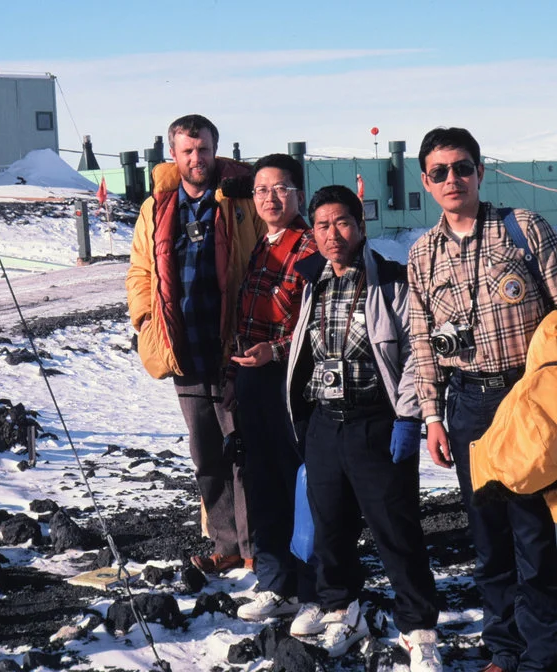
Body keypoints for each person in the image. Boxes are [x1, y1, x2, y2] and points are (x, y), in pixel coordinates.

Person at [407, 126, 557, 672]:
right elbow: (423, 344)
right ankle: (503, 647)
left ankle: (543, 656)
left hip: (530, 403)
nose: (453, 179)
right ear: (425, 182)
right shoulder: (421, 255)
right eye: (440, 171)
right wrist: (431, 416)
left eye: (463, 167)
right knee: (488, 536)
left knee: (533, 535)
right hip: (468, 405)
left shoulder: (522, 230)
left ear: (479, 171)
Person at [286, 185, 442, 669]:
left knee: (395, 531)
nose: (333, 234)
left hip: (377, 423)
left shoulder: (391, 281)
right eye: (322, 225)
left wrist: (408, 415)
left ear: (360, 225)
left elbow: (420, 352)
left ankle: (419, 629)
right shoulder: (312, 281)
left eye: (342, 222)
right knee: (330, 526)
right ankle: (340, 608)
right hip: (325, 424)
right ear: (313, 233)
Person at [126, 114, 263, 573]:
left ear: (215, 150)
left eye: (203, 149)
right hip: (185, 348)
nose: (196, 158)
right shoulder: (157, 206)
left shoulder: (240, 198)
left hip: (236, 347)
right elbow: (140, 273)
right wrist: (147, 322)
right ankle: (225, 546)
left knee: (246, 450)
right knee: (206, 454)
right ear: (174, 155)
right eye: (187, 151)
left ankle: (255, 549)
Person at [219, 154, 320, 621]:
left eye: (280, 188)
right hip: (254, 380)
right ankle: (276, 585)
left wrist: (273, 354)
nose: (270, 198)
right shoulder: (263, 245)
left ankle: (313, 590)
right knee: (261, 486)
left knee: (298, 486)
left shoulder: (312, 246)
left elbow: (317, 327)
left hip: (294, 383)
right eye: (261, 190)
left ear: (298, 192)